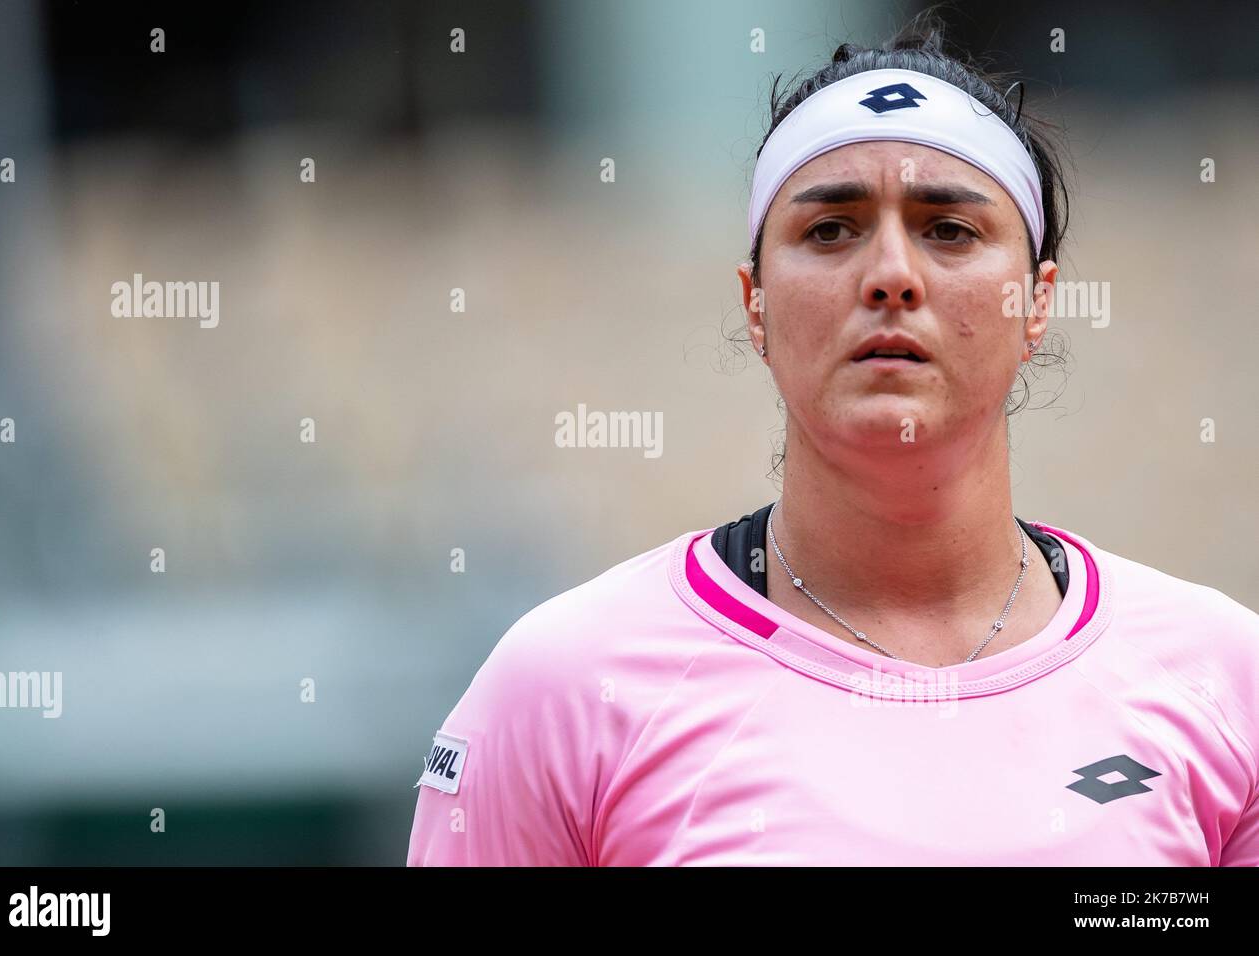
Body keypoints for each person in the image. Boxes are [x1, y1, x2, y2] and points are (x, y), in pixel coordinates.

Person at [406, 16, 1259, 866]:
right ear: (756, 301)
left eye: (949, 230)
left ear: (1038, 303)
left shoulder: (1225, 679)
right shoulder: (563, 690)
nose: (891, 274)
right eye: (830, 231)